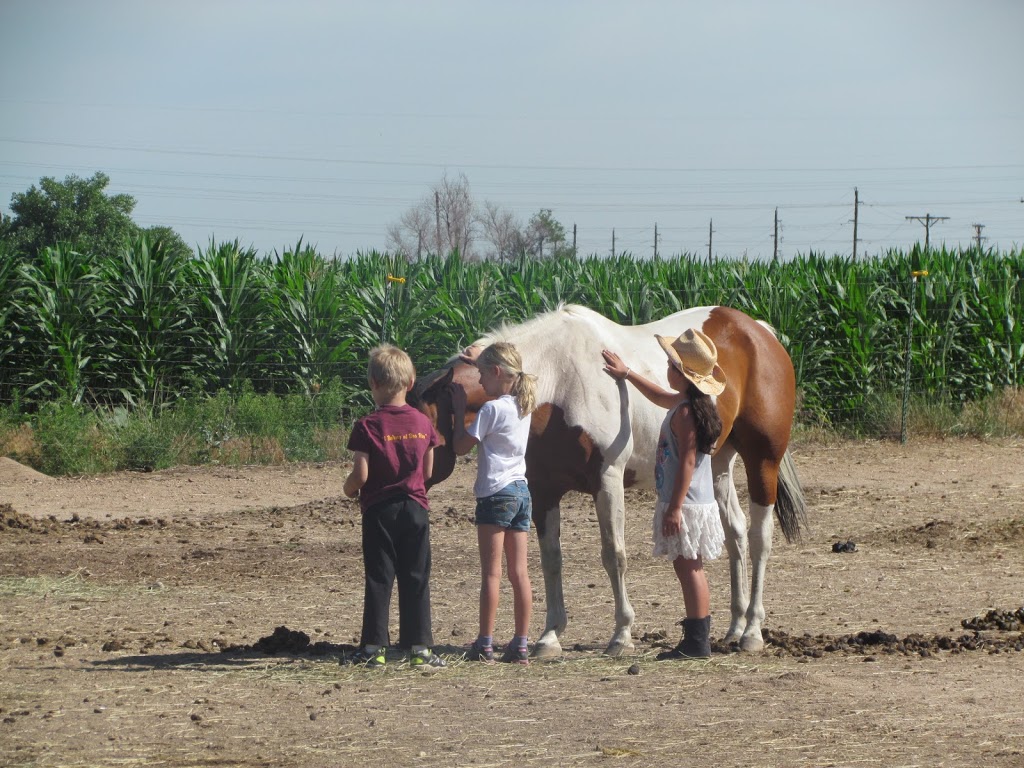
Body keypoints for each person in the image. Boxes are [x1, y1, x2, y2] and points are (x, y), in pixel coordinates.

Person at [601, 328, 727, 659]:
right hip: (689, 501)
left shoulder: (686, 413)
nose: (667, 370)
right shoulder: (689, 403)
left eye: (672, 367)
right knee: (689, 566)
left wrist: (674, 508)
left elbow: (686, 462)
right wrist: (627, 374)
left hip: (685, 503)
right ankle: (696, 636)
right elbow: (658, 396)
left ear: (684, 376)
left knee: (690, 568)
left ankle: (698, 641)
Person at [342, 344, 445, 669]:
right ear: (411, 382)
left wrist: (348, 489)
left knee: (379, 577)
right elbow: (428, 472)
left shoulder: (368, 425)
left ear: (372, 383)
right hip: (415, 508)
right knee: (416, 576)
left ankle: (374, 648)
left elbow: (361, 474)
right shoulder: (423, 422)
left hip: (379, 511)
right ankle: (420, 648)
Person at [449, 341, 538, 664]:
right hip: (521, 492)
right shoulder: (523, 404)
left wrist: (459, 412)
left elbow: (460, 447)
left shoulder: (491, 409)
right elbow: (499, 376)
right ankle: (521, 643)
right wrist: (479, 360)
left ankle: (485, 643)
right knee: (520, 573)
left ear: (498, 372)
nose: (479, 382)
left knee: (491, 574)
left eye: (482, 374)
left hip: (495, 493)